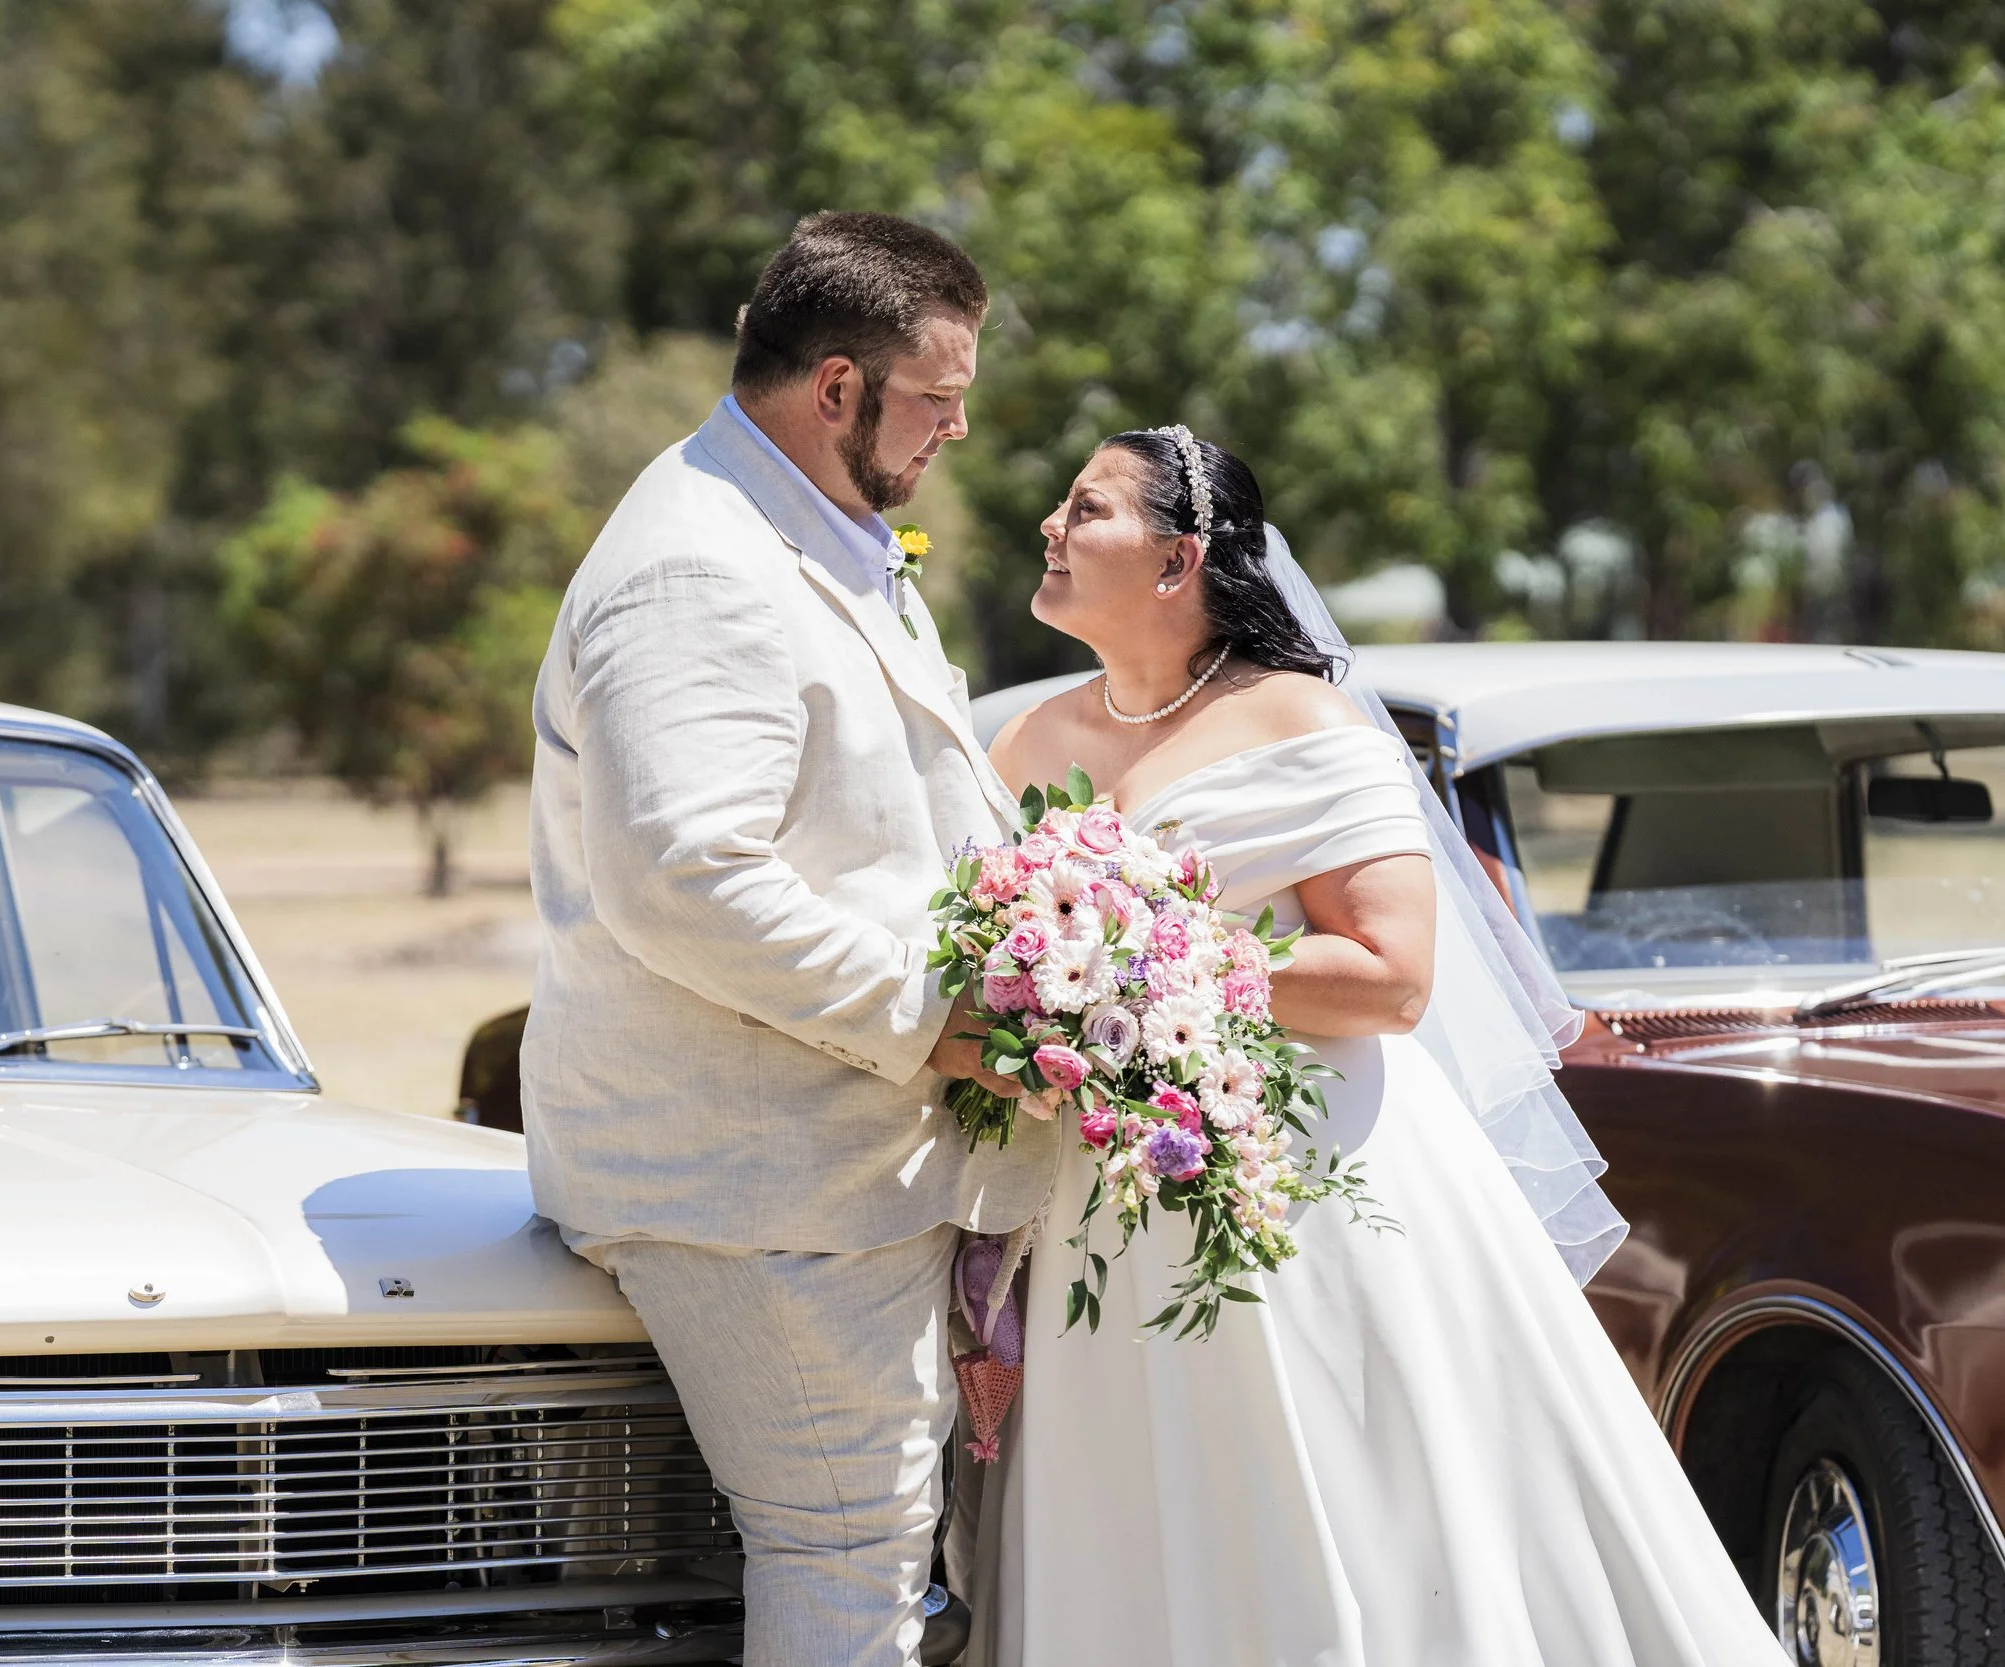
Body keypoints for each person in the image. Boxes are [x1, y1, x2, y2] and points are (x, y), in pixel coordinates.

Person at [971, 426, 1788, 1665]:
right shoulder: (1025, 743)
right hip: (1104, 1198)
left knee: (1357, 1505)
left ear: (1179, 557)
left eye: (1085, 507)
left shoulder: (1302, 720)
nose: (1050, 525)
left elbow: (1393, 978)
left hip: (1310, 1185)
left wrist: (1150, 964)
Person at [523, 211, 1057, 1667]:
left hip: (815, 1162)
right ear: (835, 390)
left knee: (876, 1556)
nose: (956, 426)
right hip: (752, 1176)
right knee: (845, 1558)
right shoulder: (696, 562)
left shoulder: (796, 527)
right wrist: (930, 1015)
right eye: (939, 397)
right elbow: (685, 874)